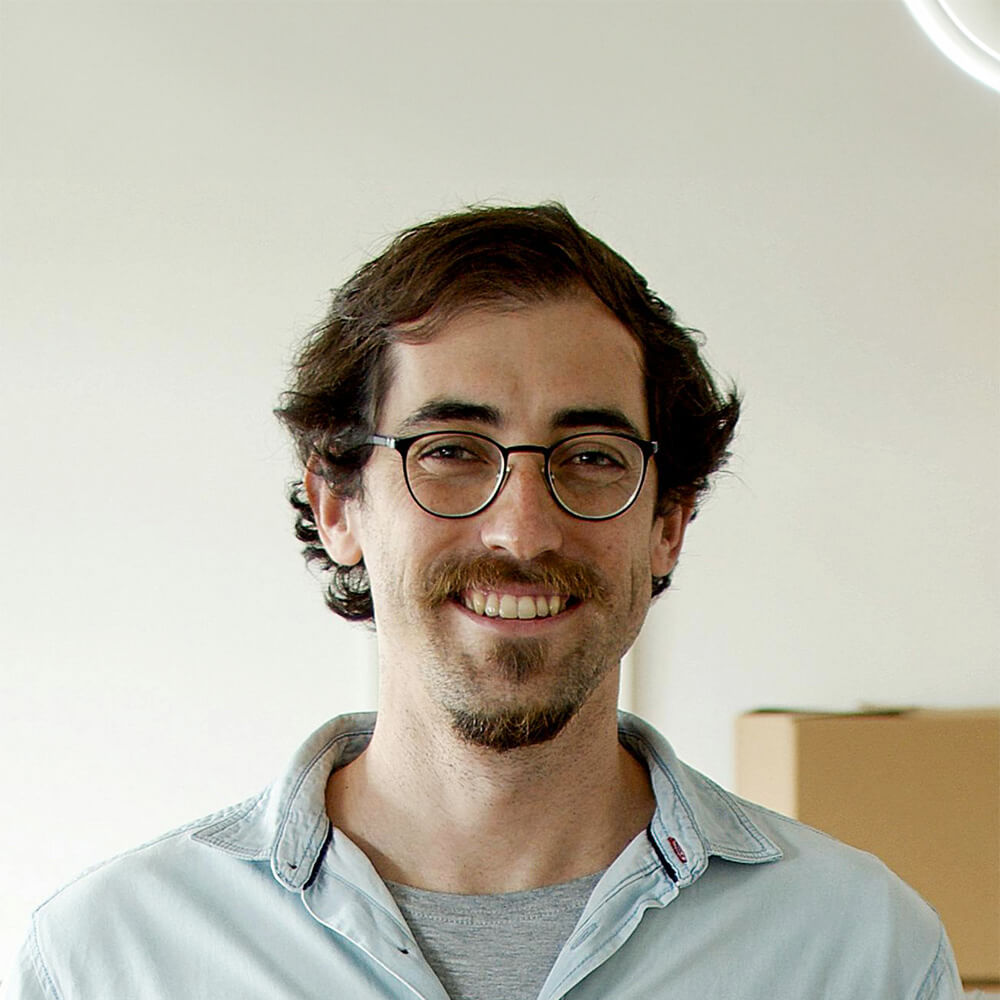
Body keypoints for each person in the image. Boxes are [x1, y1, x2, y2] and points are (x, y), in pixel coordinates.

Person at [2, 205, 962, 999]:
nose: (523, 530)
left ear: (668, 521)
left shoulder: (861, 953)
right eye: (452, 452)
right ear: (338, 506)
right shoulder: (110, 962)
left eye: (592, 459)